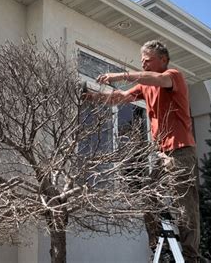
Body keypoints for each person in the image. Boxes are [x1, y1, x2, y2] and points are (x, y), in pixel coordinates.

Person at [83, 40, 200, 262]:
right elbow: (120, 98)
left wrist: (120, 75)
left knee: (185, 207)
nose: (143, 64)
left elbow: (157, 79)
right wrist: (92, 96)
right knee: (148, 197)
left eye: (148, 60)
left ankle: (191, 257)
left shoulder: (173, 76)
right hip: (162, 154)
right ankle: (159, 245)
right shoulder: (145, 86)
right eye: (141, 61)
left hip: (181, 152)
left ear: (163, 60)